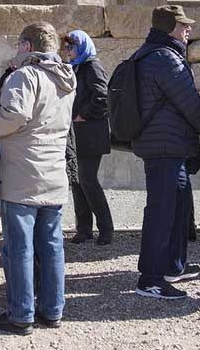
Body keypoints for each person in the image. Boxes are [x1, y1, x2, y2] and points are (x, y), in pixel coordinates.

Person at [0, 22, 76, 334]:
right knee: (51, 245)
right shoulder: (66, 79)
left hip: (23, 172)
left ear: (26, 46)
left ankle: (21, 313)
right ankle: (52, 310)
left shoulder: (25, 76)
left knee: (19, 247)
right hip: (53, 172)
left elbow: (15, 116)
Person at [132, 5, 200, 300]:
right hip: (165, 146)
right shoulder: (166, 59)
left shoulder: (150, 53)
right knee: (162, 211)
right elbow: (189, 101)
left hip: (164, 144)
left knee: (176, 205)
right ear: (170, 28)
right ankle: (150, 279)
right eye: (183, 25)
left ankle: (172, 265)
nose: (188, 29)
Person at [61, 29, 113, 246]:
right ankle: (84, 229)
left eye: (71, 47)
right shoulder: (76, 67)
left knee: (87, 180)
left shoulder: (91, 66)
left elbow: (103, 97)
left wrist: (84, 114)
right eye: (66, 47)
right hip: (77, 134)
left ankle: (106, 229)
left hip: (90, 134)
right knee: (77, 181)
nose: (67, 51)